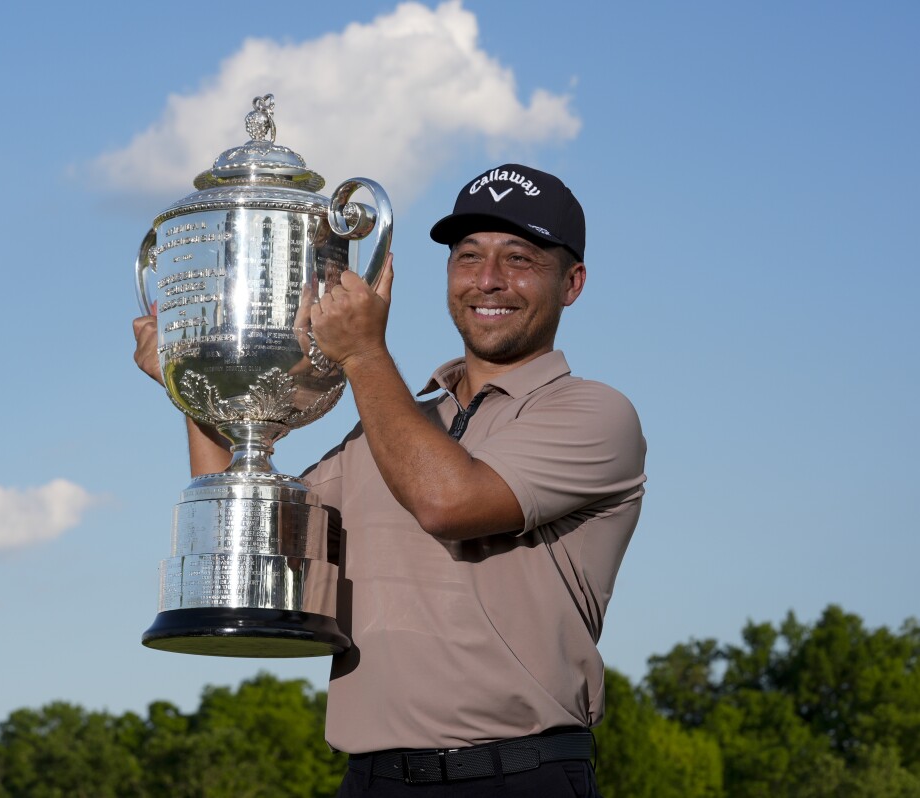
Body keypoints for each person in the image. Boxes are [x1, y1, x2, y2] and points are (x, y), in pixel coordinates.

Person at [134, 163, 646, 796]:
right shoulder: (397, 422)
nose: (488, 280)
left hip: (517, 775)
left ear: (572, 283)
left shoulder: (594, 414)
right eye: (468, 257)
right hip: (371, 779)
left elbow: (446, 500)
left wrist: (362, 353)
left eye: (520, 258)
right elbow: (257, 540)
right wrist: (201, 385)